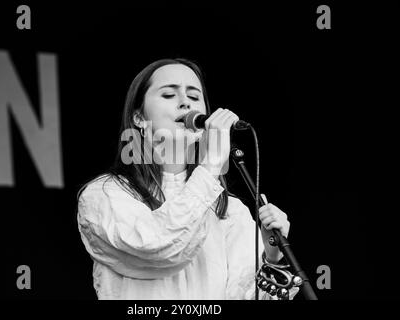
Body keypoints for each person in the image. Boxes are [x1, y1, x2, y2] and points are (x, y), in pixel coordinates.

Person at [77, 58, 294, 300]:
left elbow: (243, 296)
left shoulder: (228, 208)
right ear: (138, 117)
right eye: (169, 95)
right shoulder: (104, 194)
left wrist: (272, 255)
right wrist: (211, 165)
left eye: (194, 96)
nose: (185, 103)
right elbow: (158, 249)